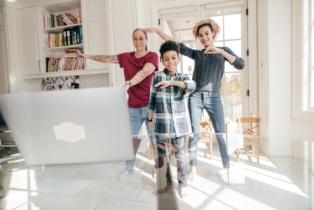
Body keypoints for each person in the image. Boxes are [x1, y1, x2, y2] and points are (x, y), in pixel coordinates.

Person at [141, 18, 245, 182]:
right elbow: (175, 43)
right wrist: (156, 30)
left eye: (207, 34)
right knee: (194, 134)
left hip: (214, 98)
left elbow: (240, 64)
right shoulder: (197, 54)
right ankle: (193, 168)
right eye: (201, 35)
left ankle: (227, 168)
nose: (204, 37)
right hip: (195, 96)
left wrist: (220, 51)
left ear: (213, 34)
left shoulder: (222, 51)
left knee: (220, 134)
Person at [77, 29, 159, 179]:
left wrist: (128, 83)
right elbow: (106, 58)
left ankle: (160, 170)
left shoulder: (152, 56)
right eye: (135, 39)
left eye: (141, 38)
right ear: (132, 40)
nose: (138, 41)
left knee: (155, 139)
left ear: (146, 40)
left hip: (150, 107)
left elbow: (145, 72)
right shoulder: (126, 57)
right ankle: (128, 169)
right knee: (131, 141)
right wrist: (86, 56)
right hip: (133, 107)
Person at [147, 40, 196, 198]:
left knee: (181, 156)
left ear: (179, 59)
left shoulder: (183, 77)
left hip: (179, 127)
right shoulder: (157, 77)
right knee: (162, 156)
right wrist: (149, 119)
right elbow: (152, 99)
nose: (170, 62)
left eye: (173, 58)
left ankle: (182, 184)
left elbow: (192, 86)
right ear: (162, 60)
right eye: (166, 59)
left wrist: (171, 82)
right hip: (162, 124)